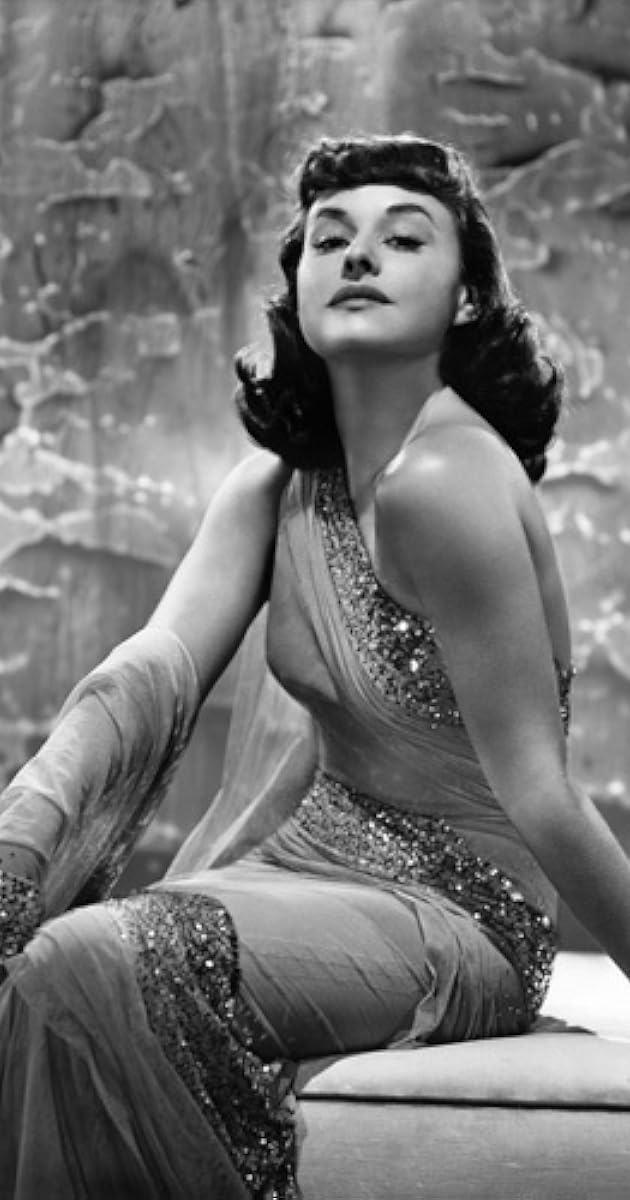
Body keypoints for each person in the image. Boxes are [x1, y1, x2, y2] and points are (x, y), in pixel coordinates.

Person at [2, 132, 630, 1199]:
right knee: (36, 950)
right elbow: (147, 675)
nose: (360, 255)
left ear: (467, 299)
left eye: (404, 238)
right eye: (331, 239)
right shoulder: (276, 488)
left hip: (458, 912)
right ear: (297, 285)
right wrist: (20, 846)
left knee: (89, 960)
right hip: (306, 870)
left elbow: (542, 793)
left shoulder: (449, 479)